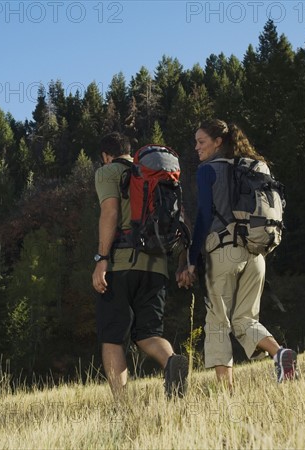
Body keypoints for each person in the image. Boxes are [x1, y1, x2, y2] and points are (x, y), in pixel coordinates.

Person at [176, 119, 298, 390]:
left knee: (218, 323)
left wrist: (193, 261)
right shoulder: (249, 168)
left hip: (223, 254)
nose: (196, 148)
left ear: (218, 142)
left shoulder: (208, 170)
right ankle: (280, 354)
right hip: (255, 254)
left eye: (201, 142)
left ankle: (226, 393)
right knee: (246, 320)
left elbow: (205, 217)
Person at [92, 131, 188, 400]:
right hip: (156, 265)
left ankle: (122, 404)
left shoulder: (108, 172)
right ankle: (171, 361)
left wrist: (101, 260)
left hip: (120, 265)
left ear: (106, 156)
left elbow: (109, 212)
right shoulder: (156, 176)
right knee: (148, 333)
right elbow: (180, 219)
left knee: (112, 338)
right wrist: (183, 261)